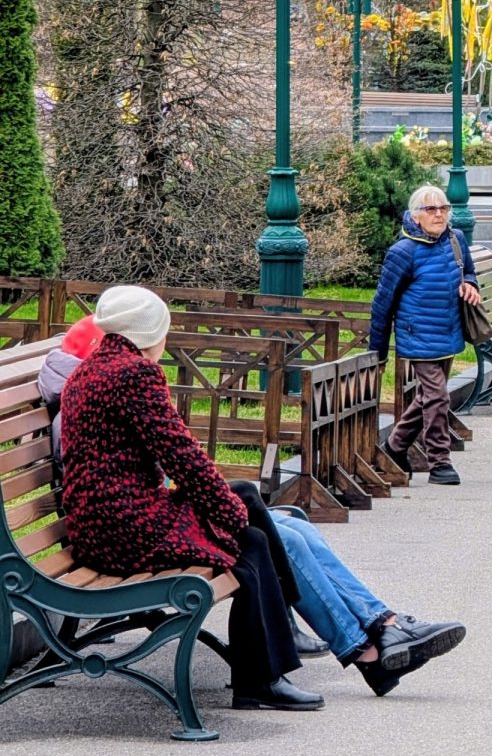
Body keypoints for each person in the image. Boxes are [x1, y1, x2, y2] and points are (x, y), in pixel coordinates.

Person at [61, 286, 466, 707]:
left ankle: (347, 644)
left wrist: (234, 509)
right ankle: (272, 676)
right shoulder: (132, 375)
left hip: (112, 521)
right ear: (150, 332)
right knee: (252, 540)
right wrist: (233, 517)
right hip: (126, 530)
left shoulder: (93, 370)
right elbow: (184, 460)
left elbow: (175, 461)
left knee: (248, 503)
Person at [370, 184, 482, 486]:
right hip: (417, 335)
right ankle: (439, 463)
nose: (439, 214)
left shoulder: (456, 240)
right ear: (415, 216)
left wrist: (470, 285)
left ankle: (394, 447)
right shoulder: (402, 253)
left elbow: (468, 272)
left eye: (443, 208)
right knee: (437, 396)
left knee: (428, 397)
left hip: (448, 330)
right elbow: (383, 304)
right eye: (430, 209)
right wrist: (377, 351)